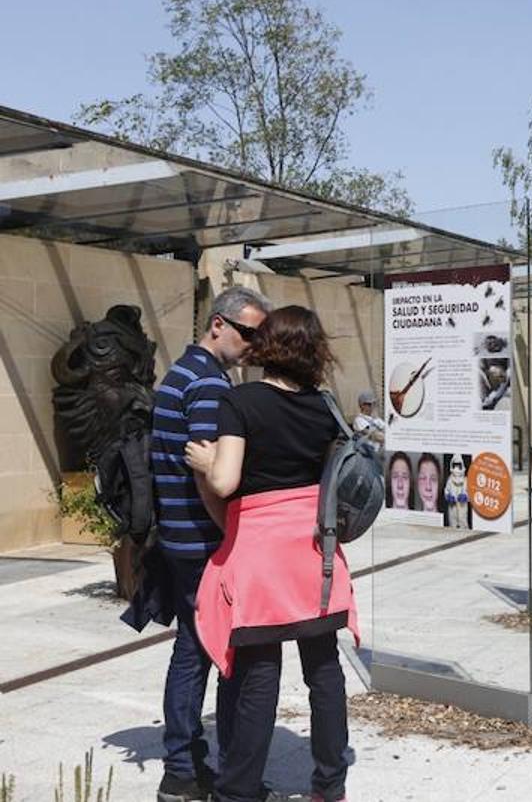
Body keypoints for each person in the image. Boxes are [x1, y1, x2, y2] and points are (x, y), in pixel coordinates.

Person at [184, 305, 356, 802]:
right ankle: (330, 785)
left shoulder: (240, 402)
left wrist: (205, 459)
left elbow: (225, 480)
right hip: (314, 553)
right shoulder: (325, 408)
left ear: (268, 346)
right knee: (324, 670)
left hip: (261, 557)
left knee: (260, 674)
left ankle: (236, 791)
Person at [151, 285, 270, 802]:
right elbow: (210, 475)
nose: (253, 345)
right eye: (248, 333)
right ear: (218, 324)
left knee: (192, 650)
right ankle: (188, 770)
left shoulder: (180, 373)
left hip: (179, 539)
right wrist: (233, 536)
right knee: (212, 655)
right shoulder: (206, 385)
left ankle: (184, 764)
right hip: (202, 541)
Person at [444, 454, 471, 529]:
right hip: (452, 507)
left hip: (462, 506)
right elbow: (446, 490)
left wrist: (466, 496)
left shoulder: (466, 480)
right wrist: (448, 496)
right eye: (455, 465)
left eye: (458, 465)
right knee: (452, 522)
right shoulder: (450, 480)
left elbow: (471, 493)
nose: (457, 468)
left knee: (463, 522)